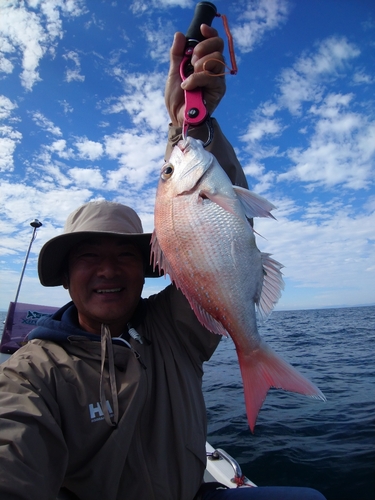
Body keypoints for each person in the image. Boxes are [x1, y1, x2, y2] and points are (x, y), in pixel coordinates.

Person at [0, 26, 326, 500]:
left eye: (124, 256)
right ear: (66, 278)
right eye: (88, 256)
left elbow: (230, 236)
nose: (108, 270)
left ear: (149, 265)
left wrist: (191, 122)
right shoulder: (35, 372)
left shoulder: (172, 327)